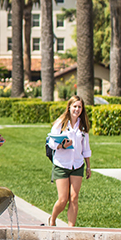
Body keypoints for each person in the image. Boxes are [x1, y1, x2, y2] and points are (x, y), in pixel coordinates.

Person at [47, 95, 92, 227]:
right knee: (63, 199)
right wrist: (61, 146)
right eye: (75, 106)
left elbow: (86, 149)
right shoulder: (60, 123)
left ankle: (71, 228)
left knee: (74, 198)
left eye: (79, 107)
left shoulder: (83, 126)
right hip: (61, 164)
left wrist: (88, 167)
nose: (77, 109)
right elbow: (50, 142)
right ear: (69, 107)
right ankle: (53, 219)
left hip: (77, 165)